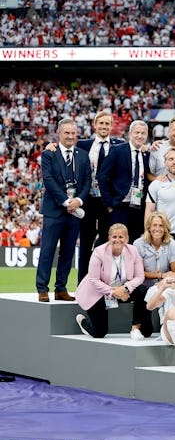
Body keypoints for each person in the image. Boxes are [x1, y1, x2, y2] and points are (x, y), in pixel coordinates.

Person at [36, 118, 91, 302]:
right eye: (66, 132)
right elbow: (48, 180)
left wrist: (79, 200)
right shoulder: (49, 154)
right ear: (59, 134)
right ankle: (42, 288)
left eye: (73, 133)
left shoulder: (82, 155)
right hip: (55, 210)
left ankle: (61, 288)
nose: (70, 136)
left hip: (74, 211)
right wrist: (67, 201)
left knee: (67, 252)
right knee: (47, 251)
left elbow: (87, 182)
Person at [76, 110, 125, 280]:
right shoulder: (82, 145)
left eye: (107, 124)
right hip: (87, 200)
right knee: (85, 243)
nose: (104, 126)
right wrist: (51, 145)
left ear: (112, 127)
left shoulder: (119, 145)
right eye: (101, 123)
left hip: (108, 203)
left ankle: (104, 282)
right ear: (95, 125)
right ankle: (82, 282)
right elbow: (62, 145)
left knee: (107, 243)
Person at [75, 224, 145, 339]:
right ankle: (82, 321)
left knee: (142, 290)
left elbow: (140, 276)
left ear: (127, 238)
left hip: (123, 290)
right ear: (109, 238)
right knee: (99, 333)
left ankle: (135, 328)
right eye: (114, 237)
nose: (117, 240)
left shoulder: (133, 250)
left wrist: (125, 288)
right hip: (100, 293)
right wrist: (113, 292)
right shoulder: (99, 252)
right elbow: (93, 280)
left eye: (121, 237)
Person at [97, 120, 150, 243]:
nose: (140, 136)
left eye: (143, 133)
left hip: (139, 207)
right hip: (120, 206)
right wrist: (109, 203)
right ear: (130, 133)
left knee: (135, 243)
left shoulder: (147, 154)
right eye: (137, 132)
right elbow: (102, 176)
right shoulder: (117, 150)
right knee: (116, 243)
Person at [145, 147, 175, 266]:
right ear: (165, 162)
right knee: (164, 274)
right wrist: (147, 233)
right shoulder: (156, 184)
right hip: (164, 236)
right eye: (171, 159)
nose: (174, 162)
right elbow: (149, 210)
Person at [133, 211, 175, 324]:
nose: (157, 229)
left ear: (165, 228)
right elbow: (140, 273)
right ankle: (136, 326)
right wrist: (161, 275)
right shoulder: (138, 244)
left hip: (163, 285)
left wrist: (164, 281)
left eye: (161, 225)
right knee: (147, 331)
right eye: (154, 225)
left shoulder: (172, 244)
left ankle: (167, 322)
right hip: (144, 286)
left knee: (173, 288)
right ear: (149, 227)